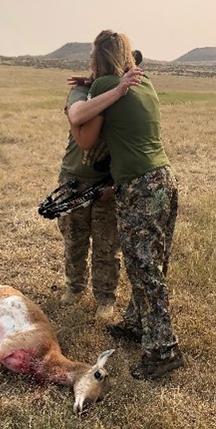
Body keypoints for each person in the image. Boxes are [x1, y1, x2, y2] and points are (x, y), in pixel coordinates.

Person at [67, 30, 186, 380]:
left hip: (140, 187)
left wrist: (95, 85)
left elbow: (78, 120)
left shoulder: (108, 87)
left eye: (92, 57)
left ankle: (163, 350)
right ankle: (136, 323)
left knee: (144, 269)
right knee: (149, 262)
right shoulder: (145, 83)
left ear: (99, 59)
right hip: (163, 180)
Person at [57, 58, 142, 321]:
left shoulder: (123, 98)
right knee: (74, 240)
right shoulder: (81, 92)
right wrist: (107, 89)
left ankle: (105, 299)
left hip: (106, 183)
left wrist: (115, 183)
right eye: (91, 61)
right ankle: (74, 288)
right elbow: (78, 113)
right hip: (74, 180)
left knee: (107, 246)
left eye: (97, 61)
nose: (92, 65)